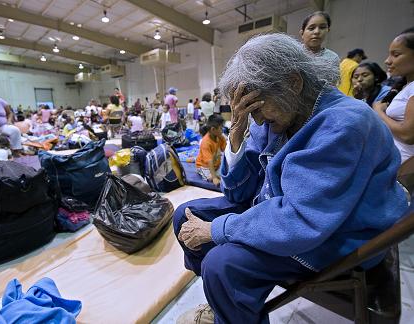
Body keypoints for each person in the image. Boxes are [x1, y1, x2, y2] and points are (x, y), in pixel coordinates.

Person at [173, 33, 408, 324]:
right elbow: (238, 194)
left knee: (222, 265)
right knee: (186, 215)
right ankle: (228, 307)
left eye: (258, 108)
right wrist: (235, 136)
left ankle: (232, 308)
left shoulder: (345, 123)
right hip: (289, 211)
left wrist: (218, 229)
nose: (256, 121)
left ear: (294, 83)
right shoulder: (279, 111)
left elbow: (302, 220)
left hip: (338, 232)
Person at [373, 27, 414, 162]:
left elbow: (408, 135)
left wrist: (379, 112)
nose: (387, 61)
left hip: (403, 170)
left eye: (395, 55)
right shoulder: (405, 86)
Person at [300, 11, 340, 82]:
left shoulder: (332, 58)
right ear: (302, 33)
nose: (317, 32)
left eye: (322, 27)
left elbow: (332, 85)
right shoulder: (293, 53)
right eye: (311, 28)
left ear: (328, 30)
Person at [196, 114, 226, 187]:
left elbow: (225, 150)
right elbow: (209, 161)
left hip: (216, 165)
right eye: (221, 128)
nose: (223, 130)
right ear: (213, 129)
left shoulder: (220, 137)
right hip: (204, 166)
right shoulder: (206, 142)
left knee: (225, 175)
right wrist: (214, 177)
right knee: (211, 178)